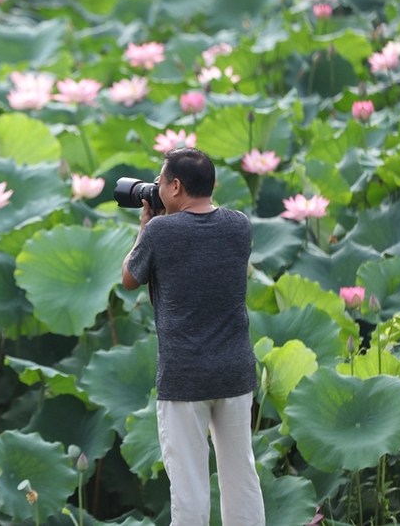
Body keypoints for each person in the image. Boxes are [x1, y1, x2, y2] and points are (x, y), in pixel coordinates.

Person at [121, 147, 264, 526]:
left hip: (184, 377)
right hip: (235, 372)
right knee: (242, 477)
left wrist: (145, 226)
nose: (156, 188)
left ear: (177, 186)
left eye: (160, 181)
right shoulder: (240, 225)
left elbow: (129, 278)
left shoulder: (159, 231)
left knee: (189, 489)